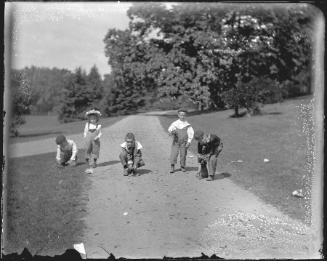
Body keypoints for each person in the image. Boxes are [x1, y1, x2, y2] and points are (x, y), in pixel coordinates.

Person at [168, 108, 194, 173]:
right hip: (176, 142)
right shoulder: (175, 123)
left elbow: (191, 133)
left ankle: (182, 166)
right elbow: (170, 129)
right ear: (178, 115)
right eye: (181, 115)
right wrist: (172, 132)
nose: (182, 116)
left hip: (184, 142)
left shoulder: (187, 125)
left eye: (184, 115)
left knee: (183, 154)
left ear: (185, 116)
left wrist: (189, 141)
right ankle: (172, 166)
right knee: (174, 154)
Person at [84, 108, 102, 173]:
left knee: (95, 150)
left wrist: (97, 137)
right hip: (88, 139)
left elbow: (100, 133)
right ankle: (88, 161)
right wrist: (85, 137)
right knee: (88, 149)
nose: (93, 120)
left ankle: (94, 162)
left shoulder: (98, 126)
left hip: (95, 140)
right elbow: (85, 131)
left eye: (94, 119)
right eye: (91, 119)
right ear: (89, 119)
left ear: (97, 119)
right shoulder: (87, 125)